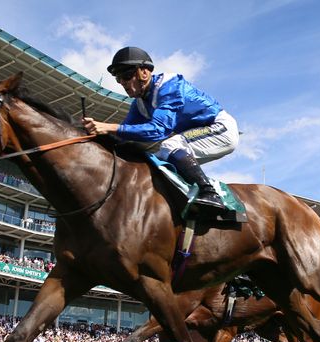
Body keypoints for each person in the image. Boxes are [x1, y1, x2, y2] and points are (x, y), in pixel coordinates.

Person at [82, 46, 238, 217]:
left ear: (144, 73)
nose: (123, 83)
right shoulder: (139, 104)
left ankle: (210, 194)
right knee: (157, 162)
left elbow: (158, 130)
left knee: (170, 145)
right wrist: (93, 135)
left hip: (219, 128)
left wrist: (109, 127)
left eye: (126, 76)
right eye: (119, 79)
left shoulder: (169, 86)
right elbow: (124, 136)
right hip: (198, 133)